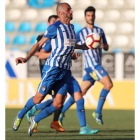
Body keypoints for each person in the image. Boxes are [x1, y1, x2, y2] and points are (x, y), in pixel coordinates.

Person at [12, 3, 99, 136]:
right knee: (38, 99)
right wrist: (26, 58)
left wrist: (83, 47)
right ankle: (21, 114)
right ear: (61, 13)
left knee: (58, 104)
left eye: (70, 9)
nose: (71, 11)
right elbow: (39, 44)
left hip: (65, 71)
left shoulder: (71, 27)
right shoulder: (54, 27)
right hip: (52, 69)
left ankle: (36, 119)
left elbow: (70, 44)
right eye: (68, 9)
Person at [58, 6, 113, 126]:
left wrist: (104, 46)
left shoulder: (100, 31)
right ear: (85, 17)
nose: (91, 17)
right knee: (108, 84)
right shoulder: (81, 33)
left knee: (80, 92)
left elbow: (106, 46)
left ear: (95, 16)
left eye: (92, 15)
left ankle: (61, 112)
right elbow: (72, 44)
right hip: (91, 65)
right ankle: (97, 112)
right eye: (88, 15)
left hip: (95, 66)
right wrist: (72, 53)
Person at [26, 15, 66, 132]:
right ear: (48, 23)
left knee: (60, 98)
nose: (56, 23)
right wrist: (54, 54)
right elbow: (35, 52)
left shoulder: (60, 37)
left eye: (57, 21)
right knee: (57, 98)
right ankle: (35, 113)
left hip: (58, 70)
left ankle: (54, 121)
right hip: (48, 71)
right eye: (53, 21)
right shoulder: (42, 37)